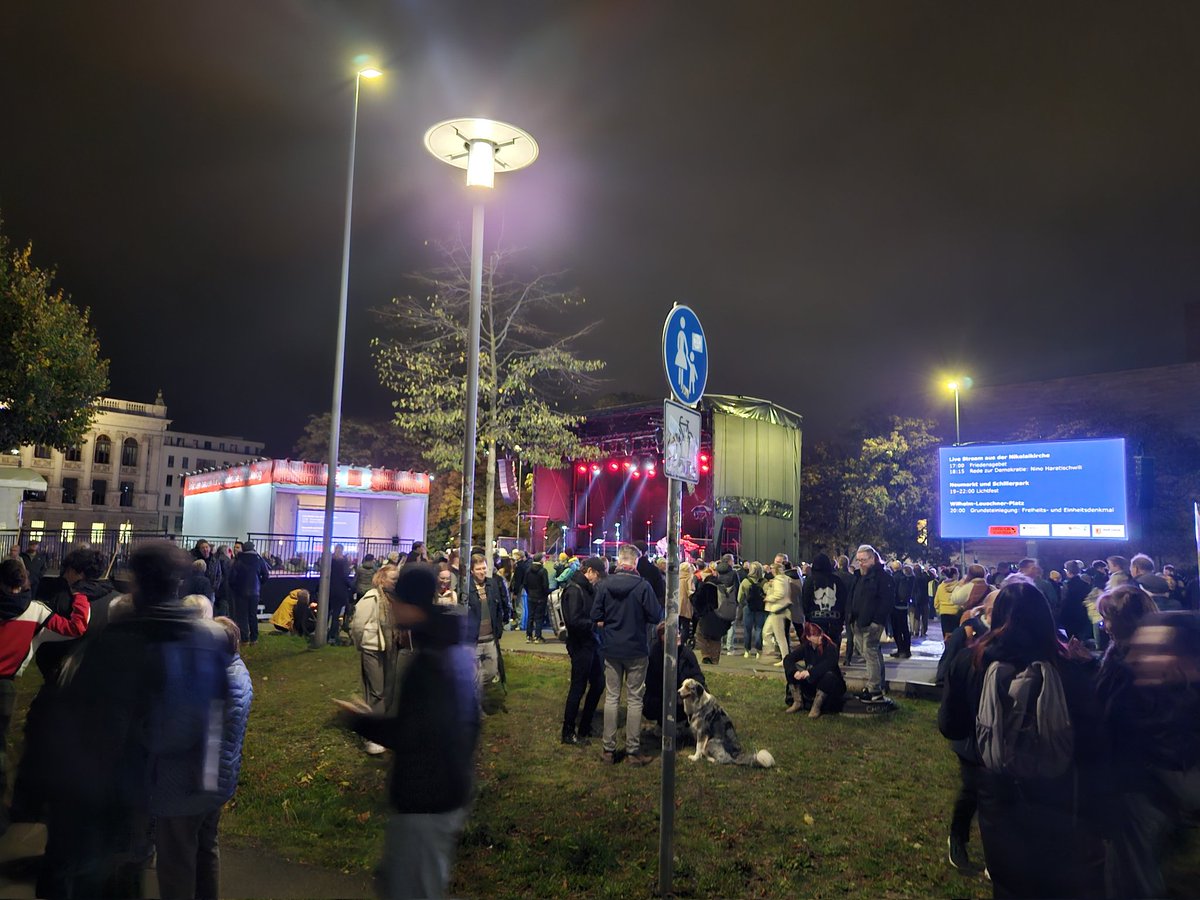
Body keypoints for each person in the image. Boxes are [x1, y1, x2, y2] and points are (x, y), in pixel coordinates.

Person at [53, 541, 231, 898]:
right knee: (170, 867)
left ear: (135, 581)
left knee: (119, 870)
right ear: (178, 583)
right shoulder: (206, 642)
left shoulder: (110, 640)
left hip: (116, 789)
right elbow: (216, 715)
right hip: (178, 783)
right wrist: (207, 779)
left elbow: (77, 719)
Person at [938, 580, 1105, 897]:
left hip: (995, 787)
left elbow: (951, 726)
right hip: (1062, 791)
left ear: (995, 614)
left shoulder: (970, 660)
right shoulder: (1071, 665)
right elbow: (1094, 737)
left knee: (1009, 880)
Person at [336, 564, 479, 900]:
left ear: (410, 604)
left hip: (426, 800)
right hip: (444, 794)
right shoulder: (450, 649)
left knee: (413, 889)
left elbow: (414, 734)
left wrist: (358, 720)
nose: (392, 606)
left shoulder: (430, 663)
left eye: (396, 600)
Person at [1100, 609, 1200, 897]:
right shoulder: (1131, 691)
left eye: (1151, 651)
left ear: (1189, 659)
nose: (1134, 660)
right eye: (1137, 649)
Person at [0, 557, 91, 835]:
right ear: (23, 581)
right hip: (5, 686)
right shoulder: (36, 611)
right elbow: (75, 627)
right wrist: (81, 598)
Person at [591, 543, 663, 765]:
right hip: (636, 649)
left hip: (611, 648)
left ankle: (608, 749)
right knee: (634, 699)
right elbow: (655, 615)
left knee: (612, 697)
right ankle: (632, 750)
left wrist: (608, 623)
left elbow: (595, 614)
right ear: (634, 562)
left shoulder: (604, 585)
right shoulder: (642, 586)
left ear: (619, 560)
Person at [350, 565, 398, 755]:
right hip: (372, 648)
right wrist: (361, 643)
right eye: (393, 578)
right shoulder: (371, 598)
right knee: (376, 691)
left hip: (390, 648)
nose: (397, 582)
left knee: (387, 689)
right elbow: (358, 625)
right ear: (382, 579)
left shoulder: (395, 598)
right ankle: (373, 736)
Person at [560, 557, 605, 745]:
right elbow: (574, 621)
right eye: (598, 576)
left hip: (591, 643)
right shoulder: (574, 590)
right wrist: (595, 624)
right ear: (591, 572)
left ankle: (585, 725)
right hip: (581, 644)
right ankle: (568, 731)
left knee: (598, 683)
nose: (598, 580)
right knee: (578, 687)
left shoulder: (585, 588)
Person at [847, 545, 894, 704]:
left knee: (870, 652)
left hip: (871, 623)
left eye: (864, 560)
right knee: (870, 653)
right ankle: (876, 687)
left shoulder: (882, 577)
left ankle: (874, 688)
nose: (861, 563)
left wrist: (877, 621)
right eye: (859, 560)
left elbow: (886, 601)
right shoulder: (859, 576)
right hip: (858, 621)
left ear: (873, 559)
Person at [464, 554, 505, 715]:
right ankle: (476, 708)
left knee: (491, 671)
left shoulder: (492, 584)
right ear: (472, 571)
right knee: (475, 677)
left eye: (484, 568)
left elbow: (499, 607)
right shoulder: (467, 588)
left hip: (490, 638)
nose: (482, 572)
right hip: (474, 640)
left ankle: (474, 695)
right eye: (478, 569)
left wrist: (499, 628)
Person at [783, 622, 846, 717]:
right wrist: (795, 672)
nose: (820, 637)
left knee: (828, 676)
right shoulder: (807, 647)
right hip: (813, 682)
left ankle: (816, 707)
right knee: (791, 669)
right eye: (816, 636)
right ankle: (797, 701)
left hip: (831, 684)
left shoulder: (830, 647)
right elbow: (788, 659)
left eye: (820, 634)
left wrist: (810, 672)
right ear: (808, 637)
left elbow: (829, 664)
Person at [228, 539, 269, 645]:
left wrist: (235, 587)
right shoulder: (259, 559)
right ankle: (254, 638)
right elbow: (266, 575)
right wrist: (259, 583)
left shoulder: (238, 560)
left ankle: (244, 638)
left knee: (242, 616)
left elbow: (232, 577)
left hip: (241, 591)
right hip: (255, 592)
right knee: (252, 615)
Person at [762, 563, 792, 662]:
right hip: (777, 610)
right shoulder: (784, 579)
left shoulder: (778, 580)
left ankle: (785, 659)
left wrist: (768, 598)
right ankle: (770, 650)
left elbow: (780, 594)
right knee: (767, 632)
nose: (770, 570)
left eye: (772, 569)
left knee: (780, 637)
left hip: (777, 609)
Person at [739, 561, 767, 658]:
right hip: (760, 608)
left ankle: (747, 650)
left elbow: (740, 598)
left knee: (747, 630)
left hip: (748, 607)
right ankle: (759, 651)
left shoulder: (745, 582)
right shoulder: (764, 582)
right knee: (759, 629)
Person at [523, 553, 552, 644]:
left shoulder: (528, 570)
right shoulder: (543, 571)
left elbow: (525, 583)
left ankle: (528, 636)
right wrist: (546, 593)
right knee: (539, 617)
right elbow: (545, 585)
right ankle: (537, 636)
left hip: (531, 596)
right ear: (540, 560)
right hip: (540, 597)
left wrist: (529, 592)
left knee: (530, 616)